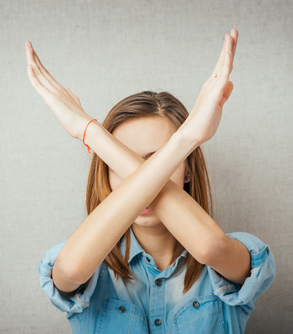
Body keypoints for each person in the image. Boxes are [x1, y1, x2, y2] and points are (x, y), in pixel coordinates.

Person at [25, 29, 275, 334]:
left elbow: (209, 247)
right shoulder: (85, 256)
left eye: (158, 160)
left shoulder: (237, 254)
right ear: (103, 174)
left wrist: (92, 133)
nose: (143, 182)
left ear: (187, 171)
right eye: (119, 162)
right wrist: (92, 131)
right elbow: (70, 270)